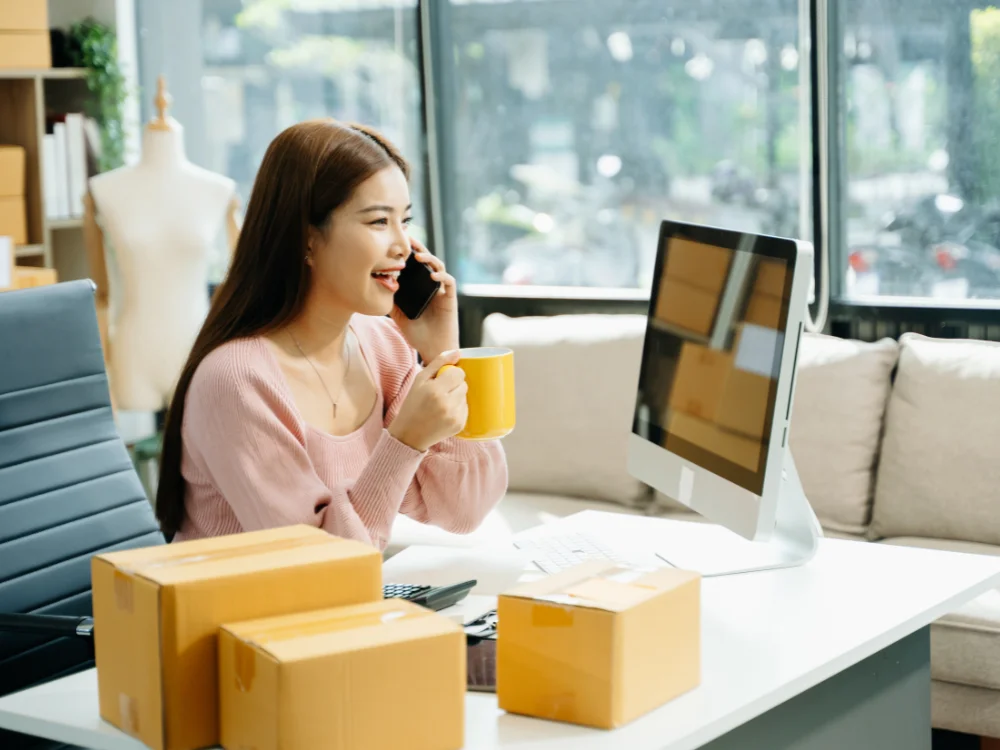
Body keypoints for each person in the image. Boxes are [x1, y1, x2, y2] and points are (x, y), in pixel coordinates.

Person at [154, 119, 508, 550]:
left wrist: (443, 355)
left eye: (405, 220)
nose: (403, 246)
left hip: (340, 605)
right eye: (379, 221)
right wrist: (403, 442)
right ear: (306, 237)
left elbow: (463, 510)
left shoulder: (384, 347)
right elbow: (317, 565)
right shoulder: (236, 381)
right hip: (240, 612)